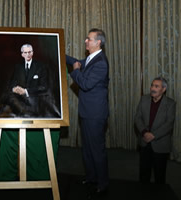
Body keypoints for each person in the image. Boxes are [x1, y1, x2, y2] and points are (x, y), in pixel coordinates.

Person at [66, 28, 109, 198]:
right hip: (87, 113)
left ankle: (103, 184)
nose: (85, 41)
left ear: (98, 42)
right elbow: (77, 61)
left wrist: (75, 71)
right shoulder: (92, 59)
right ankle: (91, 178)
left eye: (88, 39)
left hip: (95, 115)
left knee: (97, 150)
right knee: (87, 150)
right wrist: (61, 52)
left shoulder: (101, 63)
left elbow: (84, 84)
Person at [135, 77, 176, 184]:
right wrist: (144, 132)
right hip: (144, 142)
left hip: (160, 144)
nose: (152, 88)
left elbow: (169, 124)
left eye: (156, 86)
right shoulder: (144, 99)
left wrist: (153, 135)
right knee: (144, 173)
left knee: (159, 175)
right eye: (152, 85)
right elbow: (137, 118)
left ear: (163, 89)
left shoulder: (170, 104)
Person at [0, 44, 49, 118]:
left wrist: (26, 91)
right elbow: (12, 83)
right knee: (6, 95)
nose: (28, 55)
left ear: (32, 53)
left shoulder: (40, 67)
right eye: (25, 53)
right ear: (22, 54)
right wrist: (14, 89)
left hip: (33, 98)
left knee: (10, 100)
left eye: (29, 52)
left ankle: (25, 113)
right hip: (19, 98)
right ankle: (24, 113)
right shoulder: (18, 67)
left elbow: (44, 87)